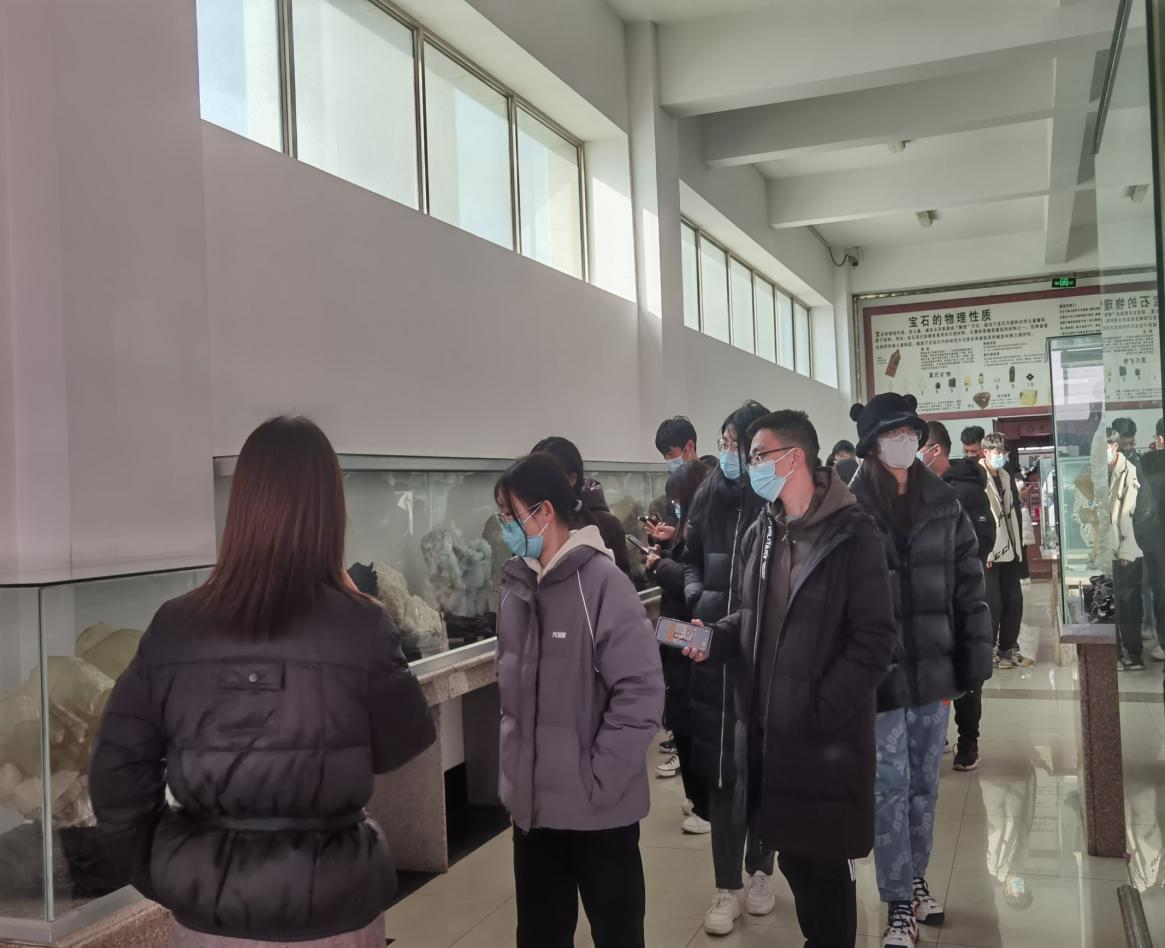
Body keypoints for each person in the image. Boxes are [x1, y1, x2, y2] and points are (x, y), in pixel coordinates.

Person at [89, 416, 436, 946]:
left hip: (209, 917)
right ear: (329, 511)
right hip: (335, 908)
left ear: (242, 506)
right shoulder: (360, 624)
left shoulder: (176, 625)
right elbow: (402, 743)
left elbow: (116, 773)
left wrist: (169, 867)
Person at [684, 410, 897, 948]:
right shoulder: (764, 532)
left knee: (826, 873)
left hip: (825, 744)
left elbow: (874, 641)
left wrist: (820, 711)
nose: (750, 464)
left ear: (794, 457)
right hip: (769, 739)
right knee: (797, 864)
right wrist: (714, 637)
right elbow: (750, 617)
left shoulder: (853, 534)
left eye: (759, 454)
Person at [494, 452, 664, 948]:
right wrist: (515, 785)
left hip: (599, 811)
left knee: (617, 932)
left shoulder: (604, 583)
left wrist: (599, 778)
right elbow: (513, 700)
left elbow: (641, 692)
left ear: (544, 511)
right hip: (534, 812)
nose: (505, 527)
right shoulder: (515, 586)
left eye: (510, 515)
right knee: (540, 934)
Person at [848, 394, 993, 948]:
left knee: (924, 788)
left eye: (910, 431)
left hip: (932, 672)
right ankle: (898, 904)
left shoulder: (944, 503)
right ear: (872, 445)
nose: (904, 441)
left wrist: (968, 668)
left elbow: (969, 588)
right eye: (893, 434)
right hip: (878, 677)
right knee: (889, 787)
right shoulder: (851, 509)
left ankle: (914, 878)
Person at [682, 399, 776, 936]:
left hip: (765, 650)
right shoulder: (707, 494)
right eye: (725, 443)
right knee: (722, 771)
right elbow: (691, 556)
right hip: (716, 650)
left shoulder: (777, 499)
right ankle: (726, 885)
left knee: (762, 766)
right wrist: (698, 597)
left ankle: (761, 870)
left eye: (739, 444)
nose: (731, 453)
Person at [920, 421, 996, 772]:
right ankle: (939, 735)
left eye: (917, 446)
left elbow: (982, 541)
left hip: (962, 596)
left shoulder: (967, 490)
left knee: (967, 671)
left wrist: (953, 570)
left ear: (934, 449)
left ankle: (968, 739)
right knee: (934, 670)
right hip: (928, 599)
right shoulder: (916, 490)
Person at [645, 460, 712, 829]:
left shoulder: (707, 528)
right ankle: (696, 797)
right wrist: (668, 545)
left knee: (692, 724)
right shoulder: (690, 527)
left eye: (676, 500)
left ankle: (706, 807)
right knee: (682, 721)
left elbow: (692, 582)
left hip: (692, 636)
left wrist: (659, 566)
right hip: (677, 637)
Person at [532, 435, 632, 577]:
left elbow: (622, 582)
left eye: (545, 479)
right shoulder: (531, 522)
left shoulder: (605, 525)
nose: (536, 487)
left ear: (571, 479)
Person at [980, 433, 1032, 669]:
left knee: (1014, 601)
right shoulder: (978, 477)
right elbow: (978, 518)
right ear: (985, 452)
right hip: (990, 552)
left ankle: (1007, 649)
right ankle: (989, 651)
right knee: (992, 603)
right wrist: (986, 551)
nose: (1001, 456)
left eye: (1003, 452)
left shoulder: (1005, 475)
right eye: (996, 452)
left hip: (1010, 548)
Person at [1097, 428, 1145, 669]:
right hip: (1104, 551)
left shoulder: (1130, 471)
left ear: (1115, 446)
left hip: (1125, 551)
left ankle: (1133, 653)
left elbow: (1131, 514)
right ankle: (1112, 653)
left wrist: (1127, 551)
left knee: (1128, 604)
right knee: (1105, 603)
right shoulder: (1096, 472)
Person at [1136, 419, 1165, 666]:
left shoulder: (1148, 463)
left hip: (1155, 538)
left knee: (1158, 589)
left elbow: (1144, 505)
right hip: (1155, 536)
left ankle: (1158, 642)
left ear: (1159, 438)